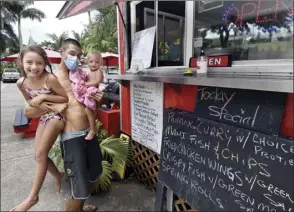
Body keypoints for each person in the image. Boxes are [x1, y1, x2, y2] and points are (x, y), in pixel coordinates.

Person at [23, 38, 104, 212]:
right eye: (72, 53)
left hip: (89, 133)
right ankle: (74, 208)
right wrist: (46, 101)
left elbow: (93, 92)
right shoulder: (51, 78)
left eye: (79, 55)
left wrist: (98, 97)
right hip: (71, 136)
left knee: (94, 174)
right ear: (61, 52)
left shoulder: (82, 74)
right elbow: (29, 110)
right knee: (78, 186)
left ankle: (81, 206)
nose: (76, 58)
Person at [11, 45, 68, 211]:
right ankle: (58, 175)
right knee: (38, 156)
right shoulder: (21, 83)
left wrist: (44, 96)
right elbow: (30, 103)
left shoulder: (49, 79)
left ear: (45, 64)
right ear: (21, 62)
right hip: (44, 116)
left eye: (39, 63)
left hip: (57, 117)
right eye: (29, 62)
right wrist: (44, 105)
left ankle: (32, 197)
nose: (34, 67)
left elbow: (64, 97)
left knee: (41, 154)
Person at [69, 51, 104, 140]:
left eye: (96, 62)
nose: (94, 64)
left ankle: (93, 129)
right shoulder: (88, 72)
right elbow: (84, 79)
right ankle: (92, 127)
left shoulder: (98, 71)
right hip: (89, 93)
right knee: (89, 111)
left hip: (94, 92)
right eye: (91, 61)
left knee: (88, 110)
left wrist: (86, 84)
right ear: (87, 62)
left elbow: (97, 81)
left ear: (100, 63)